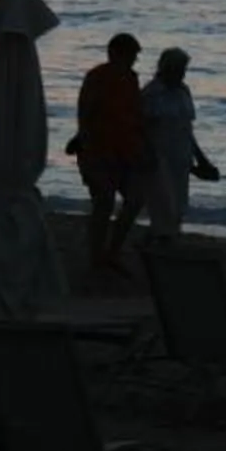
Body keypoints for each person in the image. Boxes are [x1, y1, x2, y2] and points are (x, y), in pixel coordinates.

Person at [68, 32, 147, 273]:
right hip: (98, 150)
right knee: (103, 202)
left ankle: (112, 250)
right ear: (115, 54)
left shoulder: (131, 78)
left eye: (134, 56)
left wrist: (142, 145)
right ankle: (98, 256)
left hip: (126, 150)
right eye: (130, 55)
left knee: (134, 200)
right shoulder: (97, 77)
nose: (133, 60)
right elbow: (85, 111)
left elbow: (135, 114)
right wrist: (82, 139)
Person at [141, 47, 221, 238]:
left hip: (182, 157)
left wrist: (201, 159)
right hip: (158, 157)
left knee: (178, 206)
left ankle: (165, 243)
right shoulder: (151, 94)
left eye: (183, 70)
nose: (182, 74)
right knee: (163, 206)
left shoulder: (184, 91)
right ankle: (159, 244)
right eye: (179, 69)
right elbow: (141, 129)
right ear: (167, 69)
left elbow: (187, 130)